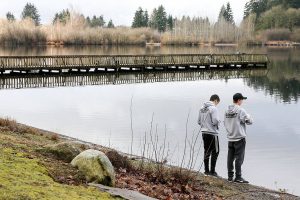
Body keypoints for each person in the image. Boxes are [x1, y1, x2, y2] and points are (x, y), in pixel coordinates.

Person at [224, 93, 253, 183]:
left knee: (230, 158)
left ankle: (230, 176)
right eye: (242, 100)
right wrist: (249, 117)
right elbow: (249, 122)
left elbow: (224, 123)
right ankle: (238, 177)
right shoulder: (241, 110)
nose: (242, 102)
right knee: (239, 158)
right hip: (239, 138)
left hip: (230, 137)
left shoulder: (226, 111)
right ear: (239, 100)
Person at [198, 94, 221, 177]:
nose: (217, 104)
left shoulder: (202, 108)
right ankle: (213, 171)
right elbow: (215, 121)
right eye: (217, 102)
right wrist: (218, 122)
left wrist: (205, 125)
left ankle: (206, 171)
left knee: (206, 151)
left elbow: (199, 121)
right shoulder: (214, 108)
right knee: (216, 151)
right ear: (215, 100)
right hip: (212, 133)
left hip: (204, 133)